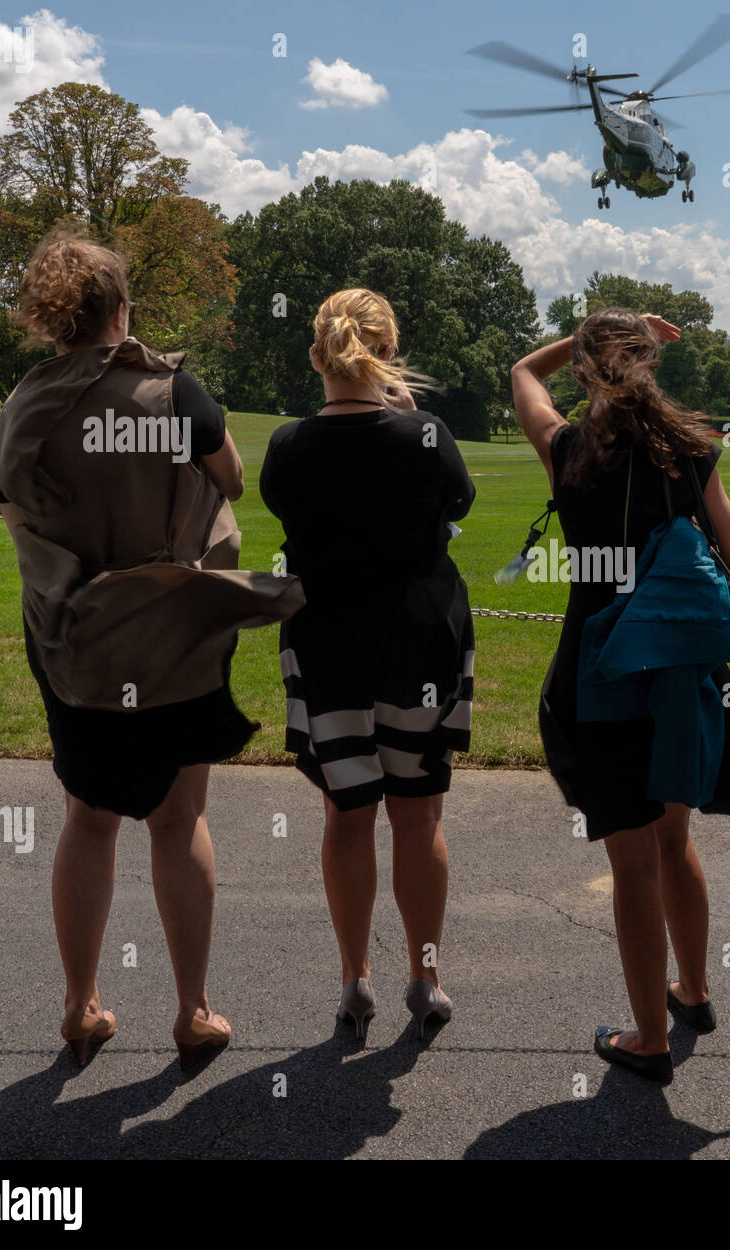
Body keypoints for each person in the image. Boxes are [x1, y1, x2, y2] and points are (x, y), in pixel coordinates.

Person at [0, 228, 303, 1071]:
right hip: (174, 635)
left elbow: (5, 499)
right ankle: (193, 1011)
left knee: (88, 817)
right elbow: (229, 479)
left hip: (74, 639)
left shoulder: (26, 404)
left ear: (55, 319)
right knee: (178, 816)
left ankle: (80, 1006)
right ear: (124, 308)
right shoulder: (174, 393)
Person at [512, 306, 730, 1086]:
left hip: (599, 667)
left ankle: (649, 1038)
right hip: (680, 671)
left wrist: (589, 339)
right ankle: (692, 990)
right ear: (649, 363)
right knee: (674, 840)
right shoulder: (692, 448)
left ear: (587, 370)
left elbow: (525, 374)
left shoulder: (566, 447)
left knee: (630, 859)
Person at [259, 288, 475, 1039]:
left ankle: (356, 980)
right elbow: (458, 502)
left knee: (347, 815)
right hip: (420, 639)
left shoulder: (287, 446)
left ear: (317, 355)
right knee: (419, 816)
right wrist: (409, 410)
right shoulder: (425, 433)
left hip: (329, 645)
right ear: (386, 353)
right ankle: (427, 976)